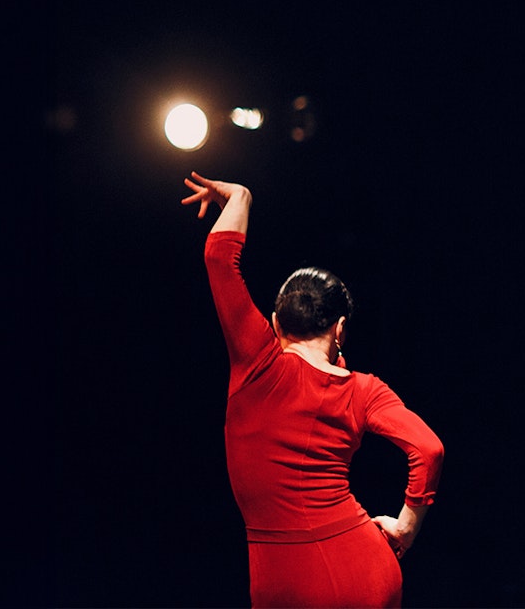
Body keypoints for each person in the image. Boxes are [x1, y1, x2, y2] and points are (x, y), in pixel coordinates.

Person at [182, 172, 444, 608]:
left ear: (274, 322)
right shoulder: (364, 390)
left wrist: (241, 196)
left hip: (286, 580)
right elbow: (429, 448)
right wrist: (406, 526)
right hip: (365, 570)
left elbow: (218, 258)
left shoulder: (258, 362)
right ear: (340, 329)